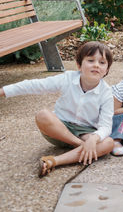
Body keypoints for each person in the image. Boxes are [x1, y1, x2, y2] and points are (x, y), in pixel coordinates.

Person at [0, 41, 115, 177]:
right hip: (59, 129)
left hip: (85, 132)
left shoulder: (106, 92)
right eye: (90, 60)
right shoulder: (67, 78)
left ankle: (53, 161)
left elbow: (106, 126)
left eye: (102, 63)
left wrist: (93, 139)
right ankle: (80, 146)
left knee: (108, 143)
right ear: (79, 65)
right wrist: (4, 91)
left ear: (107, 70)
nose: (96, 65)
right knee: (42, 115)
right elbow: (35, 85)